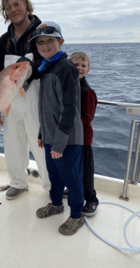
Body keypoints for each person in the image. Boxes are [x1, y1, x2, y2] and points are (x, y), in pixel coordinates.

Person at [0, 0, 51, 200]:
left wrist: (26, 72)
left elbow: (46, 61)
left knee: (41, 144)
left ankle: (52, 186)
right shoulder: (3, 40)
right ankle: (18, 182)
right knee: (13, 144)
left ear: (26, 4)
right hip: (10, 100)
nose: (13, 9)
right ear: (5, 12)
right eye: (8, 7)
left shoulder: (42, 33)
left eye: (17, 4)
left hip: (36, 99)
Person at [31, 21, 85, 236]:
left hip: (67, 139)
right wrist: (42, 133)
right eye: (40, 42)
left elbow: (69, 108)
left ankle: (76, 216)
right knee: (54, 174)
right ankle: (56, 204)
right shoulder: (46, 67)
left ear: (60, 42)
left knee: (71, 178)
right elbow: (46, 107)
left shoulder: (66, 69)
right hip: (51, 136)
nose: (44, 45)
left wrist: (60, 142)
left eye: (49, 40)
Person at [69, 52, 99, 216]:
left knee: (86, 170)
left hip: (83, 139)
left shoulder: (87, 92)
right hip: (70, 138)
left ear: (88, 70)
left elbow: (87, 117)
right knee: (73, 168)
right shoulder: (68, 87)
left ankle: (92, 199)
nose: (79, 68)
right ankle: (76, 190)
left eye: (83, 65)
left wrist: (64, 124)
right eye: (75, 65)